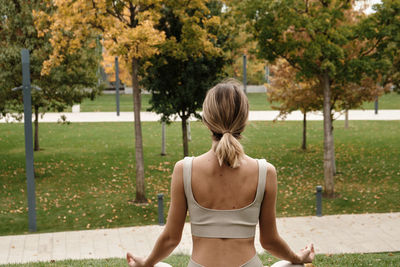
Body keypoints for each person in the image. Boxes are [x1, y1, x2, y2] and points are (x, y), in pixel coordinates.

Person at [127, 80, 315, 267]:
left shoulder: (184, 170)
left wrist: (147, 263)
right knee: (290, 265)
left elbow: (170, 239)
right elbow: (269, 242)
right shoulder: (266, 172)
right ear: (244, 120)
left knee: (161, 266)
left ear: (206, 121)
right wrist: (298, 259)